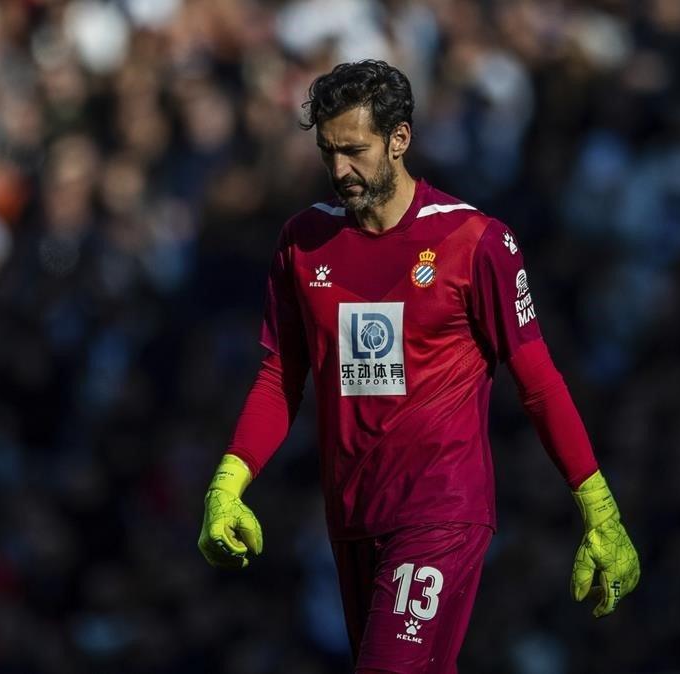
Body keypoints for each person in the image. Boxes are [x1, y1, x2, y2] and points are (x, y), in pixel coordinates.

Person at [197, 60, 639, 673]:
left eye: (354, 150)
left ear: (399, 138)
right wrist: (229, 482)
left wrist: (597, 504)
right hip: (351, 514)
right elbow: (279, 378)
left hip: (441, 508)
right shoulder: (303, 243)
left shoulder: (474, 242)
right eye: (328, 152)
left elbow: (537, 381)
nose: (339, 170)